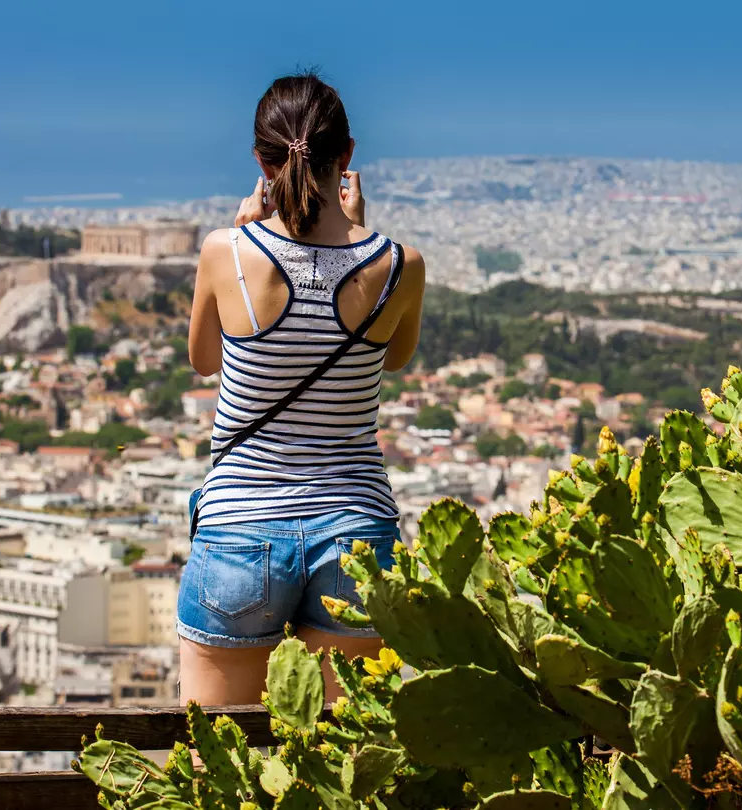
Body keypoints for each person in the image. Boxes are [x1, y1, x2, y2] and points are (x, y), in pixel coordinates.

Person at [177, 72, 426, 705]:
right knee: (343, 763)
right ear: (347, 157)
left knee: (219, 765)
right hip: (357, 533)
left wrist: (243, 231)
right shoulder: (399, 265)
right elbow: (395, 358)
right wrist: (358, 235)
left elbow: (203, 360)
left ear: (261, 161)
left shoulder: (224, 251)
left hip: (241, 526)